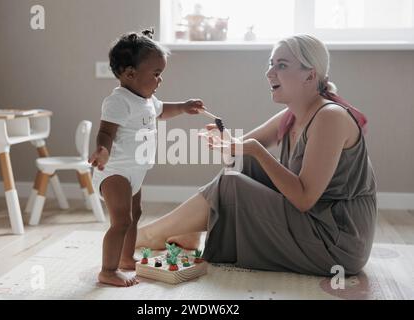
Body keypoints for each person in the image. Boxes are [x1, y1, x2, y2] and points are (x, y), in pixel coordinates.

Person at [136, 34, 377, 276]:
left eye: (281, 65)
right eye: (271, 64)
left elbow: (304, 198)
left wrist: (256, 151)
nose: (270, 73)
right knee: (246, 163)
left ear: (310, 75)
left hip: (337, 242)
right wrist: (226, 142)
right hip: (314, 222)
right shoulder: (291, 115)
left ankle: (152, 234)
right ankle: (182, 233)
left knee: (239, 175)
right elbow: (239, 157)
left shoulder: (330, 117)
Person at [89, 29, 205, 287]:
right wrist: (103, 150)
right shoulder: (119, 101)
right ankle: (107, 270)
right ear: (130, 74)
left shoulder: (148, 100)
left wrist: (184, 107)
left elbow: (164, 111)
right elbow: (106, 131)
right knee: (121, 220)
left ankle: (126, 259)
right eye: (156, 74)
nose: (160, 80)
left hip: (136, 172)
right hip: (115, 170)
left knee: (135, 214)